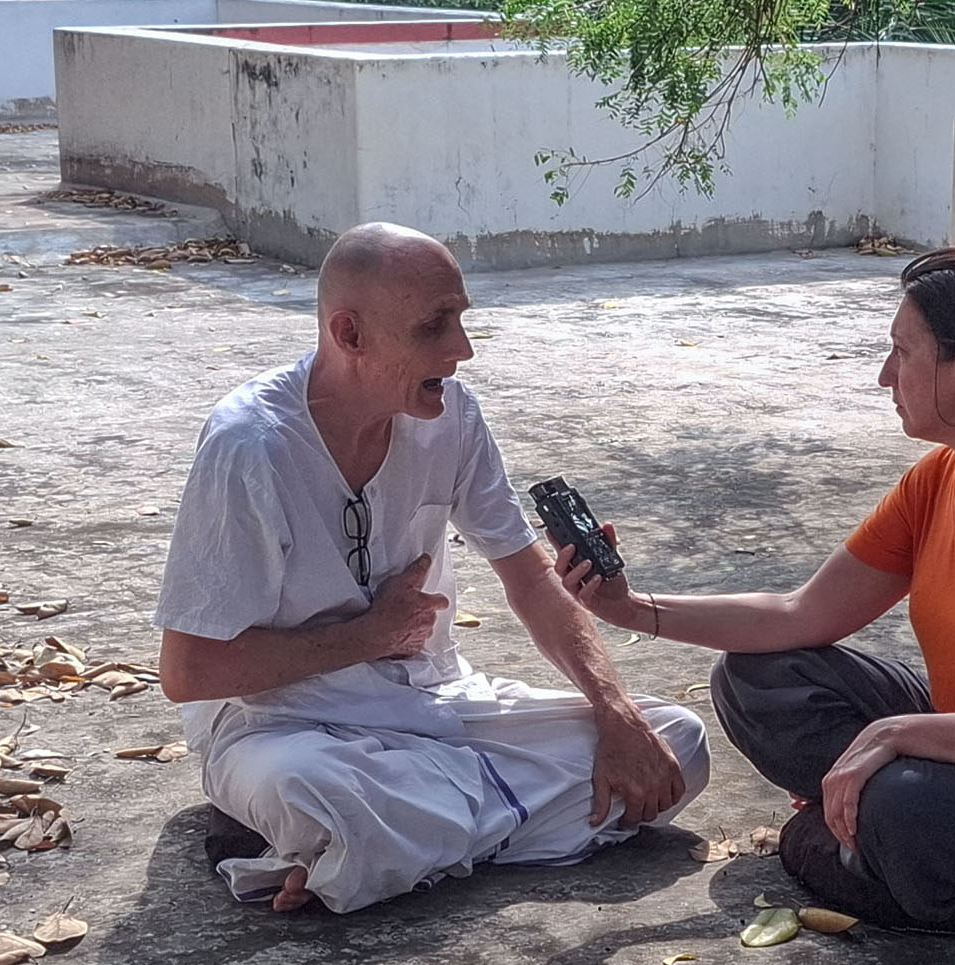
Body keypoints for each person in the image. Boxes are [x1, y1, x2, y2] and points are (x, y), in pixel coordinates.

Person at [555, 247, 955, 940]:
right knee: (755, 678)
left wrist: (890, 734)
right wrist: (632, 608)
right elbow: (802, 614)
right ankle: (878, 846)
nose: (884, 375)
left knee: (898, 804)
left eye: (902, 351)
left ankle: (877, 846)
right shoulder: (941, 478)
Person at [155, 222, 709, 914]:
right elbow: (190, 672)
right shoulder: (251, 446)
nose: (462, 349)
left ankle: (370, 853)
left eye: (461, 319)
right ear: (350, 334)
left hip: (437, 702)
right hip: (282, 725)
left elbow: (529, 574)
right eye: (433, 327)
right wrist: (367, 637)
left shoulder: (452, 417)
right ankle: (384, 836)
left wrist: (615, 710)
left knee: (676, 744)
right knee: (310, 789)